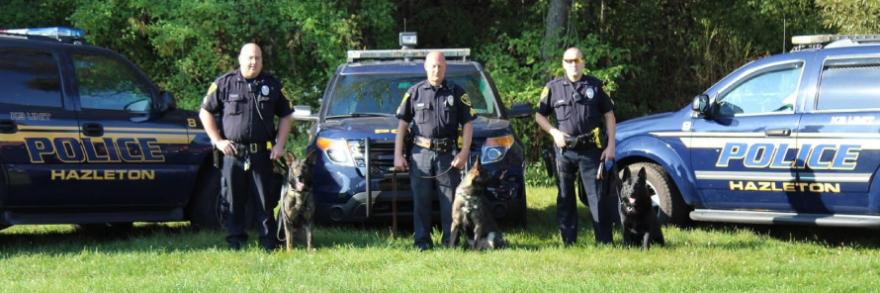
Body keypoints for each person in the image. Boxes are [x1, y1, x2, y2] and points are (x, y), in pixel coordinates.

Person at [199, 43, 293, 251]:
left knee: (264, 200)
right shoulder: (224, 84)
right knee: (233, 199)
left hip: (261, 153)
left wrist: (280, 145)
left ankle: (268, 242)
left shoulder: (272, 84)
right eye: (249, 58)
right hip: (233, 152)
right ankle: (236, 242)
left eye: (257, 58)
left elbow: (286, 115)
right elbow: (205, 112)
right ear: (240, 59)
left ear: (262, 61)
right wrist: (217, 140)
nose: (253, 62)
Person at [394, 51, 476, 251]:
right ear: (425, 67)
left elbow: (468, 124)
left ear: (445, 67)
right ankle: (422, 242)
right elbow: (402, 124)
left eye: (440, 66)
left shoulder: (457, 92)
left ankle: (451, 242)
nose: (436, 70)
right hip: (420, 154)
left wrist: (464, 152)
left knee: (449, 202)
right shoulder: (414, 93)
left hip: (447, 154)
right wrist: (398, 154)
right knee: (420, 201)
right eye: (432, 66)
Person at [535, 47, 617, 245]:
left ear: (583, 62)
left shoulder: (595, 86)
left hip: (591, 150)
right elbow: (539, 115)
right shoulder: (553, 87)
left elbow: (609, 115)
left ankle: (604, 242)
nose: (573, 64)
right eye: (569, 60)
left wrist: (611, 145)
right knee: (565, 197)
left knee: (596, 197)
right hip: (565, 151)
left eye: (577, 60)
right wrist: (554, 132)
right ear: (563, 63)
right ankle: (568, 241)